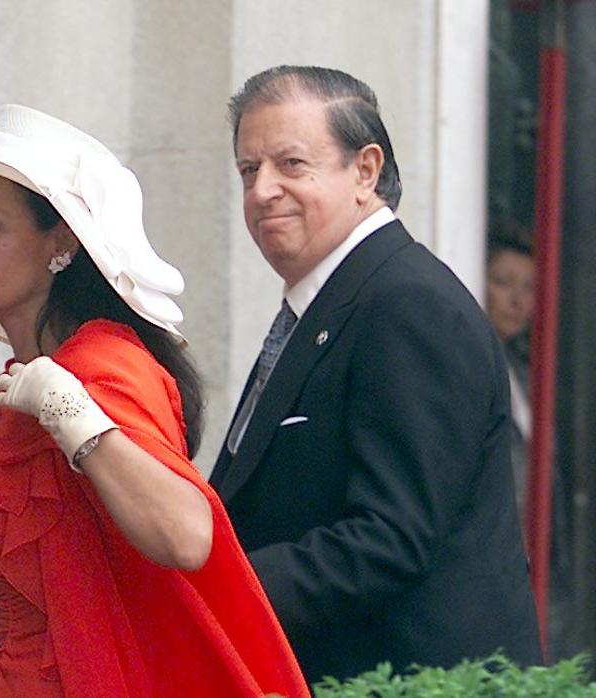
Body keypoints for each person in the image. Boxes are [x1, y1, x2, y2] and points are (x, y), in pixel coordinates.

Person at [0, 105, 308, 697]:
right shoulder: (34, 381)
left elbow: (187, 536)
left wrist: (72, 413)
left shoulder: (101, 366)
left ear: (60, 240)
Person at [208, 65, 542, 684]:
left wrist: (217, 589)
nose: (262, 191)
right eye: (249, 170)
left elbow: (391, 537)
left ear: (365, 170)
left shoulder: (406, 303)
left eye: (291, 164)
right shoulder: (335, 300)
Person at [485, 230, 535, 511]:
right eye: (503, 282)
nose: (517, 301)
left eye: (529, 287)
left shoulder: (524, 373)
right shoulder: (472, 368)